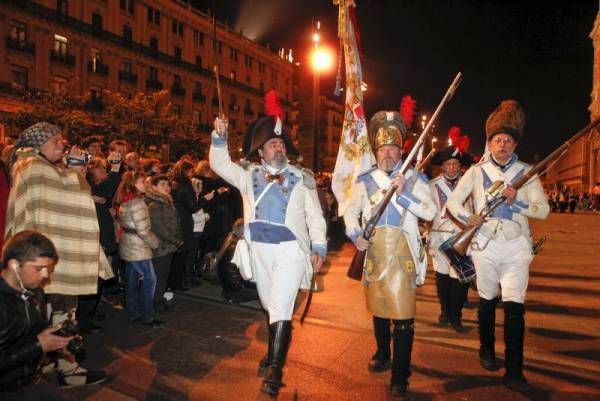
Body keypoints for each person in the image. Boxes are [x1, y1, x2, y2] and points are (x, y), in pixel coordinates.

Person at [209, 90, 327, 397]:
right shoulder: (249, 175)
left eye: (280, 143)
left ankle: (275, 372)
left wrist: (319, 247)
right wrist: (219, 137)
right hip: (258, 251)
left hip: (290, 251)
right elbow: (220, 164)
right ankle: (274, 355)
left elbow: (316, 218)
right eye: (272, 144)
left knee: (281, 306)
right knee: (269, 305)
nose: (278, 147)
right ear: (260, 153)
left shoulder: (303, 178)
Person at [446, 100, 549, 391]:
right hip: (485, 244)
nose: (502, 144)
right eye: (497, 140)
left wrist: (519, 202)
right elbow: (454, 203)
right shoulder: (477, 172)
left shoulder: (527, 172)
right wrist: (471, 218)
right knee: (488, 300)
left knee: (515, 307)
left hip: (516, 245)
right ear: (489, 143)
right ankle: (487, 349)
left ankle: (514, 369)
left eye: (507, 140)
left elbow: (543, 210)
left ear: (514, 144)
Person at [5, 122, 106, 386]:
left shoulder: (31, 165)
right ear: (39, 143)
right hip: (46, 258)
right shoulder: (33, 166)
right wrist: (74, 173)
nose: (62, 145)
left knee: (48, 311)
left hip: (40, 257)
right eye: (56, 141)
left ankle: (48, 362)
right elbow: (74, 189)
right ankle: (69, 370)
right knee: (63, 311)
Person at [343, 111, 436, 397]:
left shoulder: (415, 178)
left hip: (402, 252)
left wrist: (404, 193)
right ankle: (383, 353)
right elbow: (349, 210)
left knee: (404, 317)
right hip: (374, 253)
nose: (387, 153)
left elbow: (431, 212)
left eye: (392, 148)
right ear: (376, 150)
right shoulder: (365, 178)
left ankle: (400, 374)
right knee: (379, 309)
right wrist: (355, 234)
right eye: (382, 148)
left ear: (401, 150)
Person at [0, 230, 79, 401]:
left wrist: (57, 342)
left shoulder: (34, 292)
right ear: (14, 265)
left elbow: (33, 329)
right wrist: (38, 345)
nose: (46, 275)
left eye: (48, 269)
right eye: (39, 268)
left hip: (30, 379)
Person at [428, 133, 473, 333]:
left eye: (456, 164)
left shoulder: (469, 184)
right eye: (449, 164)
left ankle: (456, 316)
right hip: (439, 238)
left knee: (461, 279)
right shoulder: (432, 185)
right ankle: (445, 310)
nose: (452, 168)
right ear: (442, 167)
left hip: (461, 238)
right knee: (442, 279)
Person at [115, 171, 162, 328]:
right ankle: (148, 315)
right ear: (135, 184)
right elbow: (143, 231)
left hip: (128, 245)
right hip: (138, 247)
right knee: (150, 280)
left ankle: (133, 312)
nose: (145, 184)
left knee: (131, 281)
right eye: (142, 182)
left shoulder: (125, 201)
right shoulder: (137, 203)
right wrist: (156, 243)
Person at [145, 174, 182, 313]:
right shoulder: (154, 205)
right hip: (160, 246)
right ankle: (155, 304)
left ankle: (158, 301)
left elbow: (174, 223)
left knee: (163, 277)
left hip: (168, 245)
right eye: (162, 185)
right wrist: (177, 240)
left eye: (167, 184)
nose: (167, 187)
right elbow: (159, 228)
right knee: (159, 277)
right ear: (154, 187)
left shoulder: (166, 201)